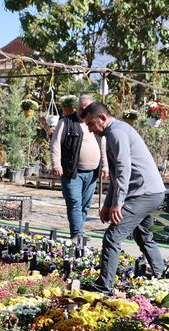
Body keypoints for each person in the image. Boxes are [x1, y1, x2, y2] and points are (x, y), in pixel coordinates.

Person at [79, 102, 166, 295]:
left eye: (91, 124)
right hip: (152, 191)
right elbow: (117, 173)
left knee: (113, 236)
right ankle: (162, 277)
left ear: (102, 118)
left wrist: (117, 204)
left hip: (144, 193)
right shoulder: (117, 130)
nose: (91, 131)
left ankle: (103, 286)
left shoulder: (115, 132)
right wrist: (107, 204)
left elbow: (124, 170)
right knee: (143, 235)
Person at [50, 94, 108, 244]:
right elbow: (55, 142)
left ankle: (78, 233)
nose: (83, 111)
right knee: (74, 203)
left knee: (85, 205)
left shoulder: (94, 123)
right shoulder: (66, 122)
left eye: (86, 108)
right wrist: (56, 164)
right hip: (72, 172)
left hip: (92, 173)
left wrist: (105, 165)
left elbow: (103, 145)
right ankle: (78, 234)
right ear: (77, 107)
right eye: (81, 108)